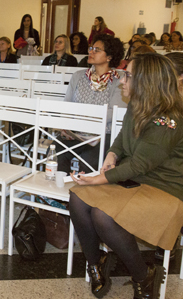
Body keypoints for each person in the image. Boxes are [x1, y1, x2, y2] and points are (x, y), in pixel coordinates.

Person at [69, 53, 183, 299]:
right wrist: (111, 154)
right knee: (78, 198)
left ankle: (143, 275)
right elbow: (122, 136)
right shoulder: (139, 103)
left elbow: (141, 163)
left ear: (146, 81)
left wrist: (98, 179)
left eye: (128, 75)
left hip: (164, 188)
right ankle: (96, 260)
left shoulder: (169, 118)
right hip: (137, 178)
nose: (121, 80)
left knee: (103, 216)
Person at [55, 34, 126, 174]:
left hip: (104, 134)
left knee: (88, 163)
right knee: (57, 152)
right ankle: (59, 192)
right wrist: (67, 127)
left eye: (97, 50)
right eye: (91, 48)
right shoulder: (78, 76)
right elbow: (67, 106)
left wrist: (81, 116)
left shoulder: (120, 80)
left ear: (109, 57)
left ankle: (82, 195)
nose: (91, 52)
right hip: (77, 132)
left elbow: (114, 113)